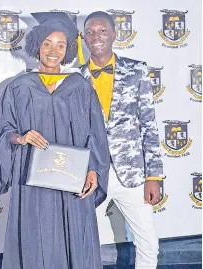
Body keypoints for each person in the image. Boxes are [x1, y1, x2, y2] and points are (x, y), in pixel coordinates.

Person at [0, 12, 110, 269]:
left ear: (68, 50)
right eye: (47, 43)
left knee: (75, 237)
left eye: (61, 45)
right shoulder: (18, 87)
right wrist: (20, 137)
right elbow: (1, 130)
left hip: (72, 180)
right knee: (35, 237)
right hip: (33, 181)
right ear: (36, 46)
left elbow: (95, 134)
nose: (53, 51)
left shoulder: (80, 86)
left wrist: (94, 171)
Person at [80, 11, 164, 269]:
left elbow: (149, 125)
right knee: (79, 239)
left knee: (148, 244)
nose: (96, 36)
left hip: (132, 175)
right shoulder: (74, 79)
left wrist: (154, 176)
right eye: (91, 32)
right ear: (84, 37)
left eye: (102, 31)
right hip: (91, 174)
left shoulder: (137, 71)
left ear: (114, 35)